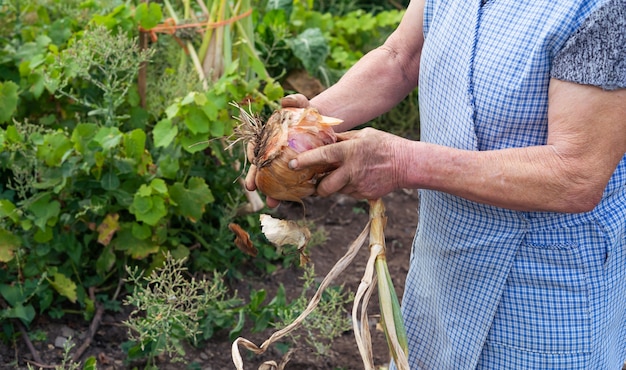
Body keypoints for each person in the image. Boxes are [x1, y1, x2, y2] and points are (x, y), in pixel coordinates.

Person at [246, 0, 626, 368]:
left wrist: (402, 161)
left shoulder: (603, 7)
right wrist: (299, 134)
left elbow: (576, 173)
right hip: (445, 257)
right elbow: (400, 58)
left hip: (540, 287)